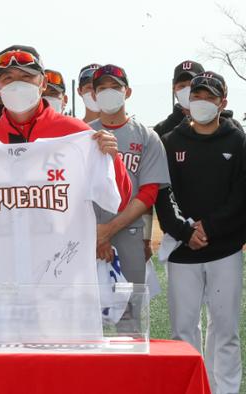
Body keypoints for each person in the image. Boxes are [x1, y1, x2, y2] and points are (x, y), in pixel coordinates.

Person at [0, 46, 131, 209]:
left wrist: (113, 158)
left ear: (43, 83)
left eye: (26, 76)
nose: (17, 84)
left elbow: (118, 201)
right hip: (0, 259)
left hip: (63, 259)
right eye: (8, 78)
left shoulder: (77, 134)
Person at [156, 71, 245, 394]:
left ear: (223, 102)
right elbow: (163, 194)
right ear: (187, 101)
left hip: (225, 250)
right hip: (183, 250)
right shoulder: (170, 142)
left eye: (210, 97)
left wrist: (210, 228)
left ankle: (226, 389)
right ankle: (190, 389)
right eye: (197, 97)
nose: (203, 103)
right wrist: (184, 230)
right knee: (183, 332)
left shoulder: (238, 140)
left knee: (226, 331)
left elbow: (241, 196)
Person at [88, 65, 170, 287]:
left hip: (129, 231)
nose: (108, 92)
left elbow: (149, 193)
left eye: (115, 87)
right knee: (90, 312)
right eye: (102, 88)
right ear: (93, 95)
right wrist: (97, 232)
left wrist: (108, 230)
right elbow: (76, 192)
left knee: (130, 314)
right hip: (89, 232)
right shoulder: (83, 134)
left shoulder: (147, 137)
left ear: (128, 92)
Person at [153, 60, 204, 137]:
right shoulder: (161, 131)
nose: (188, 90)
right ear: (174, 90)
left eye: (192, 84)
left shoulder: (223, 126)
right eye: (182, 86)